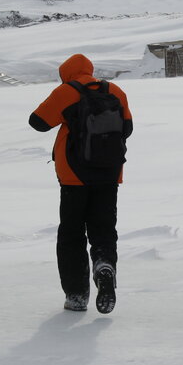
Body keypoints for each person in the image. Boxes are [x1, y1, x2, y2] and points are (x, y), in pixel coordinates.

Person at [29, 53, 133, 313]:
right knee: (104, 230)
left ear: (66, 72)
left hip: (74, 177)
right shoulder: (115, 91)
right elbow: (127, 128)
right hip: (109, 174)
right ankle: (104, 265)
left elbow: (37, 122)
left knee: (72, 234)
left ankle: (76, 294)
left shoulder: (66, 91)